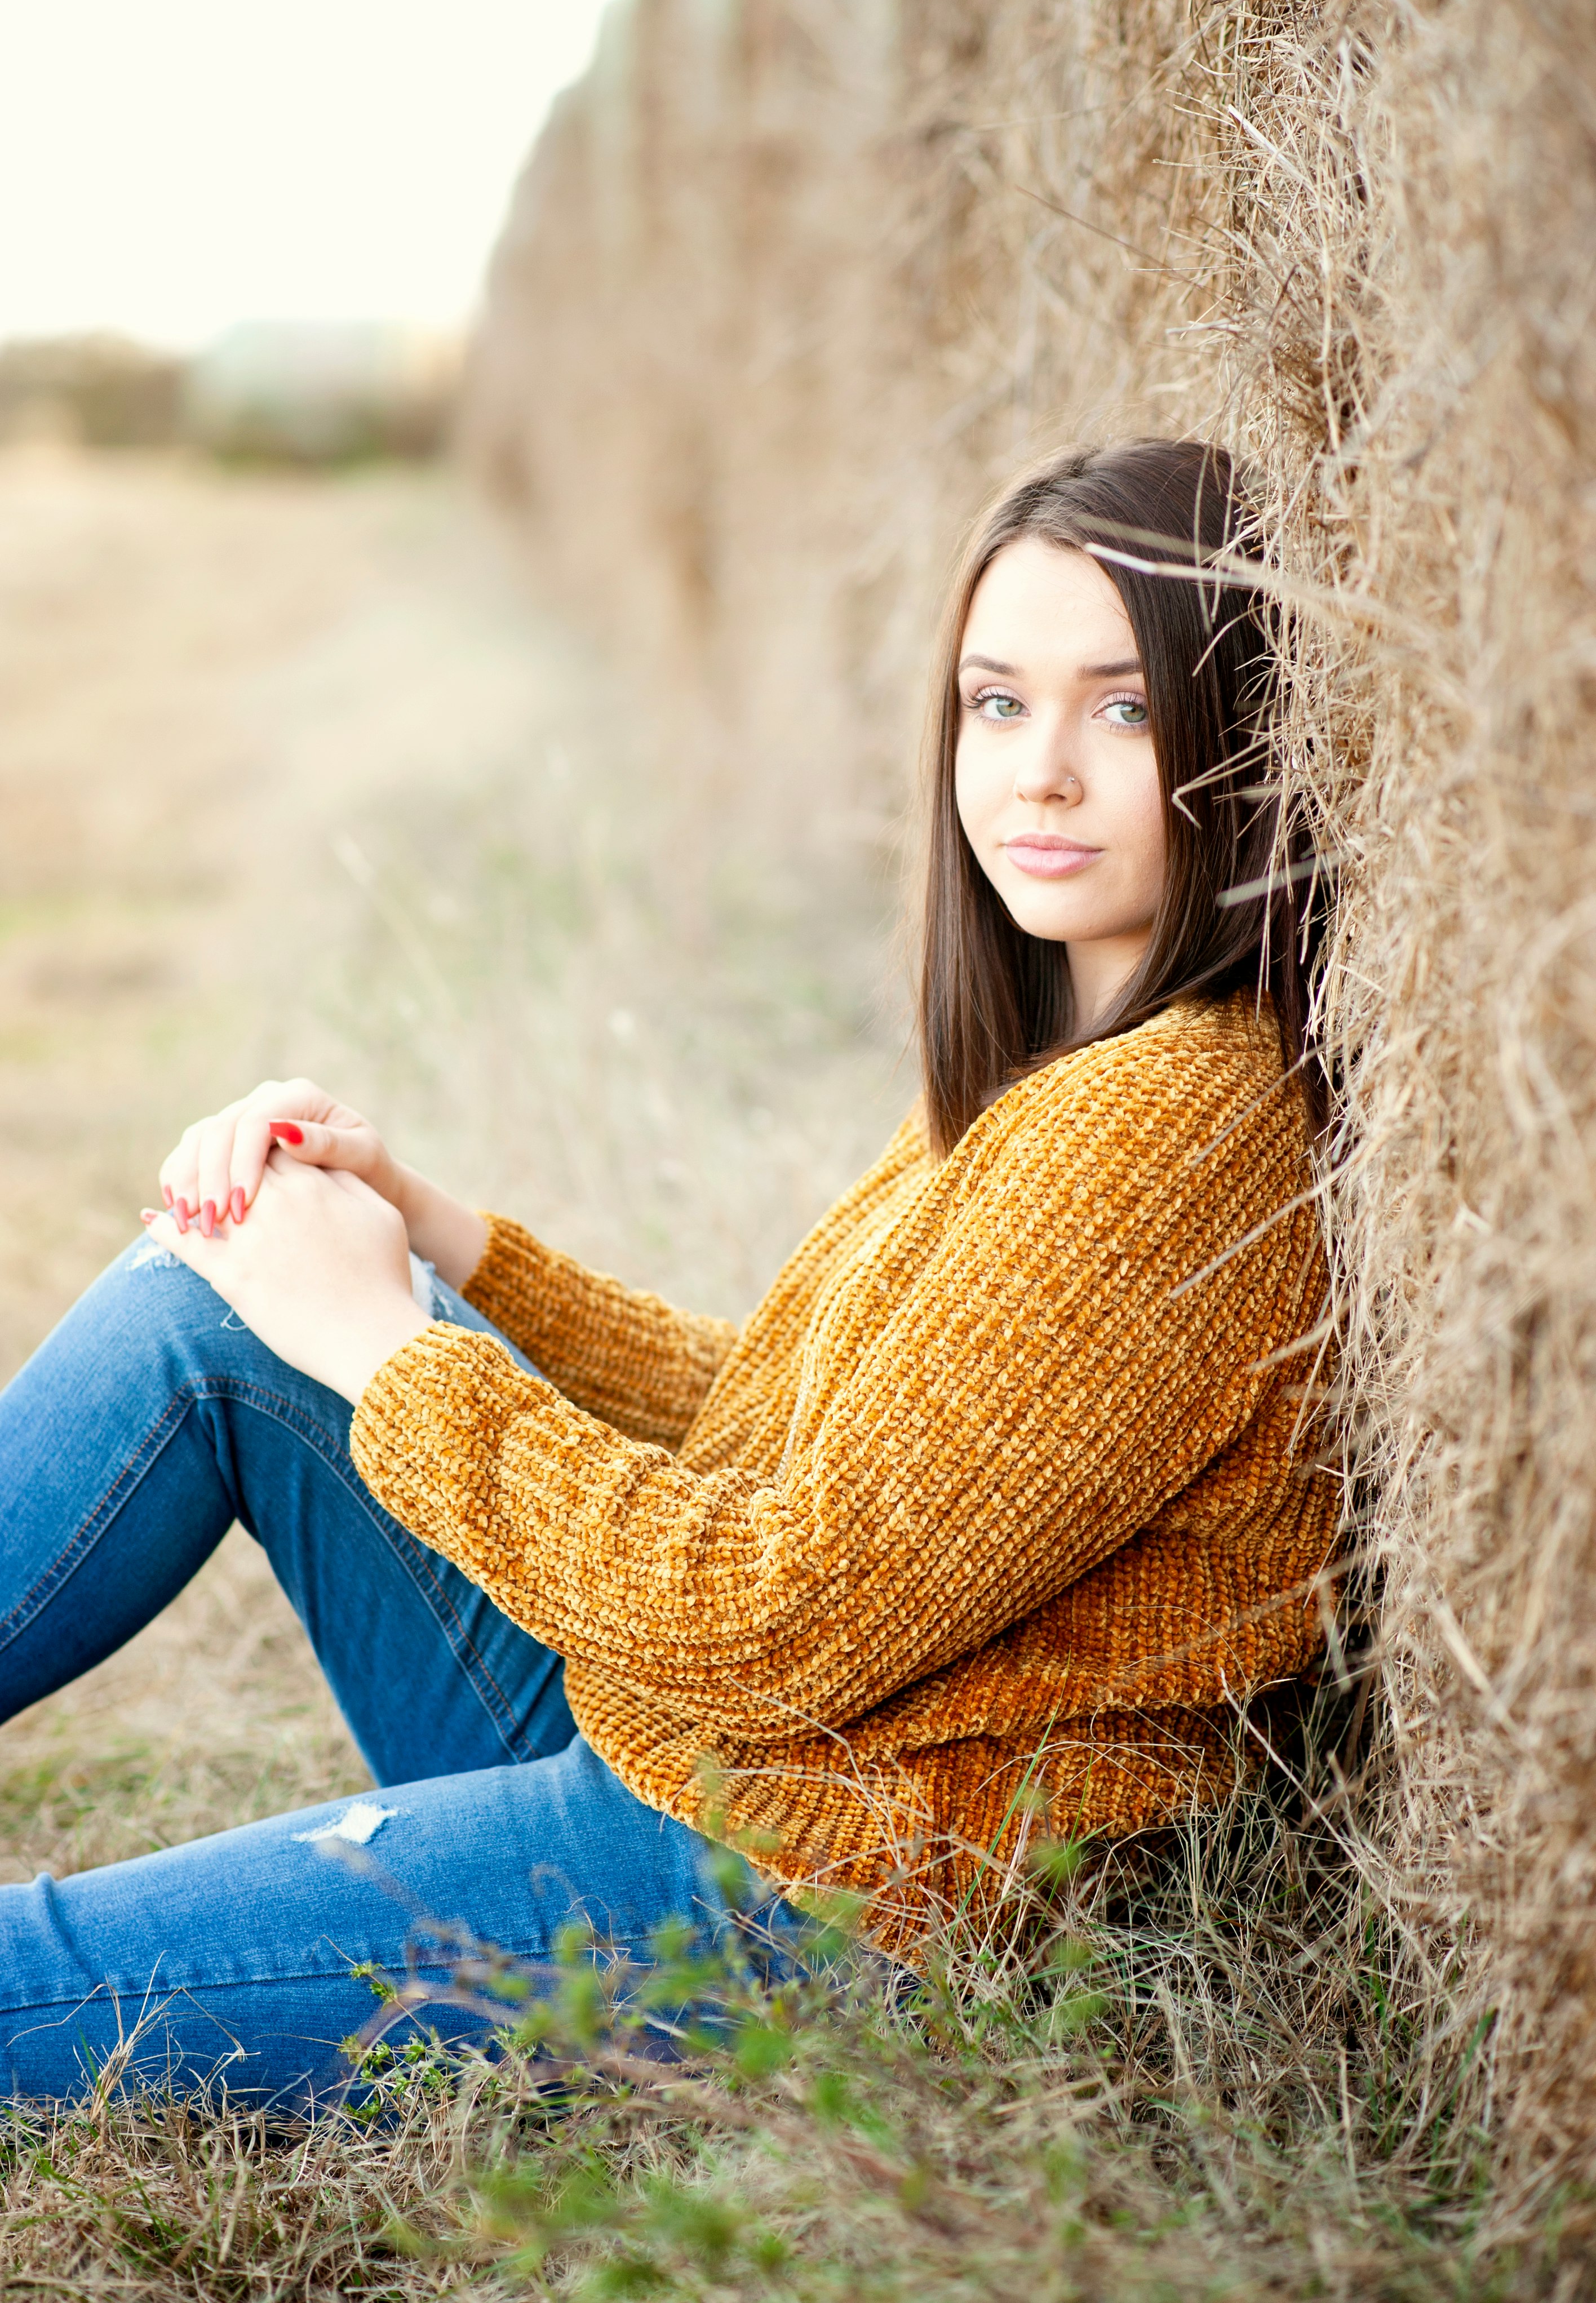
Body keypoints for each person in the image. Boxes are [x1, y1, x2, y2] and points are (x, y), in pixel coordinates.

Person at [0, 438, 1336, 2107]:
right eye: (997, 704)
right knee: (211, 1301)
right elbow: (791, 1429)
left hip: (813, 1895)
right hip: (706, 1763)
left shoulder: (1171, 1126)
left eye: (1122, 711)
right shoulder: (1067, 1064)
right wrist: (431, 1230)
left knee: (21, 1980)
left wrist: (389, 1353)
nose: (1040, 773)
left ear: (1246, 738)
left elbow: (780, 1619)